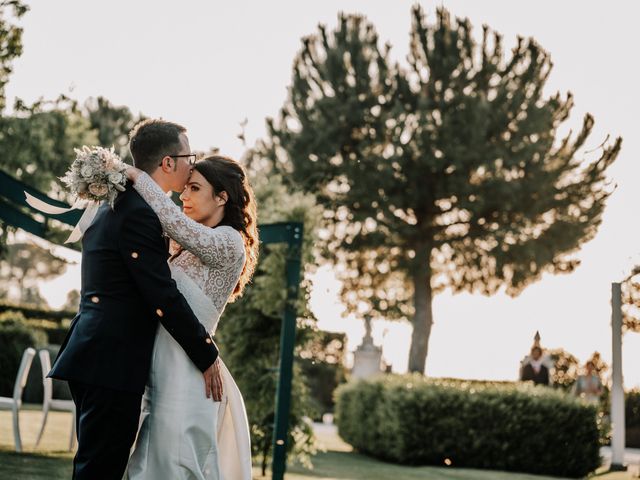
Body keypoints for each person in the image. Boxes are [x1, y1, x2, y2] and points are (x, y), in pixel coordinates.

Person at [48, 119, 221, 480]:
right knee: (100, 471)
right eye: (189, 156)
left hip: (97, 353)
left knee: (96, 466)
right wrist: (206, 353)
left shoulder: (117, 204)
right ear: (168, 163)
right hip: (111, 359)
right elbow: (162, 295)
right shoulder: (138, 213)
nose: (194, 164)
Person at [124, 153, 258, 479]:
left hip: (188, 377)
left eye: (194, 188)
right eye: (185, 188)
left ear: (222, 196)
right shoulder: (184, 246)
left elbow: (172, 220)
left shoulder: (229, 242)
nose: (183, 196)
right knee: (147, 466)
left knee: (173, 465)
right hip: (160, 373)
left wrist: (134, 175)